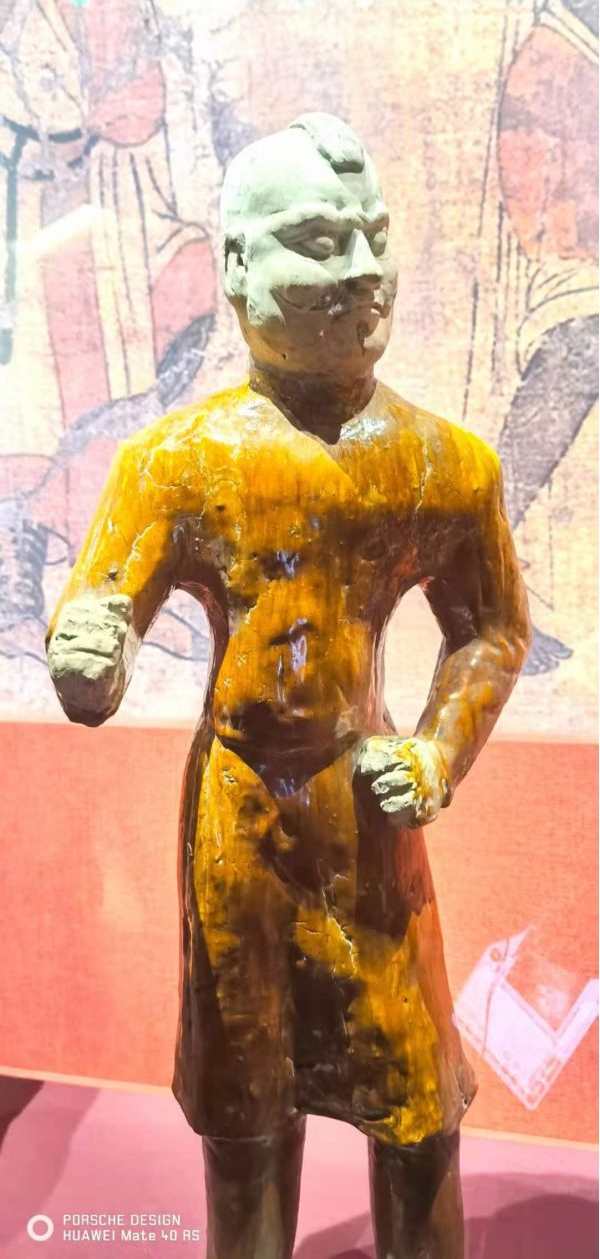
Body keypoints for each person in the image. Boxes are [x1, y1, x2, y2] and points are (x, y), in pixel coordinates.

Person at [46, 113, 530, 1259]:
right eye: (318, 241)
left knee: (417, 1106)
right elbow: (94, 642)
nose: (362, 269)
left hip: (368, 813)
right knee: (246, 1116)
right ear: (234, 267)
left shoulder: (445, 463)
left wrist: (436, 752)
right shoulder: (176, 462)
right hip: (240, 821)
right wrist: (89, 653)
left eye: (373, 235)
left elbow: (491, 632)